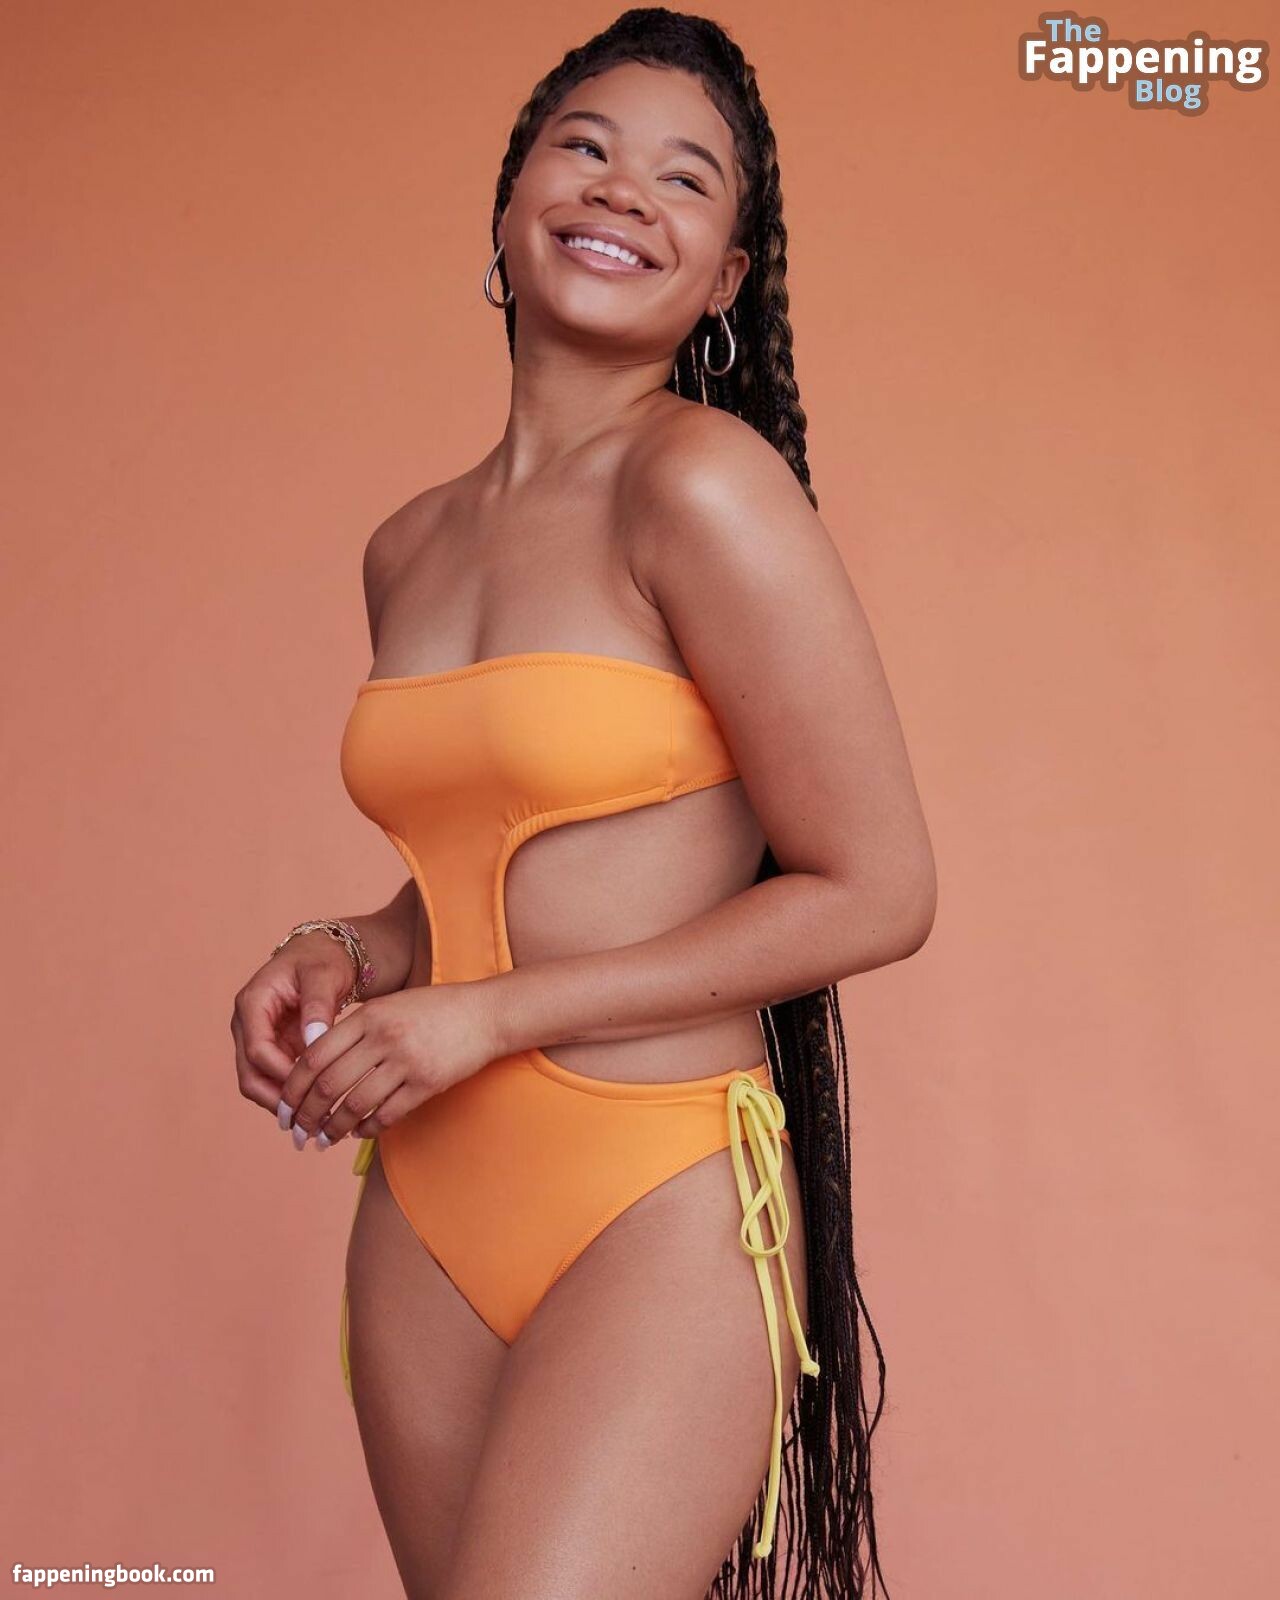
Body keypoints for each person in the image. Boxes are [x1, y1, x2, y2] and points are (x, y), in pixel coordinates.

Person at [230, 11, 935, 1598]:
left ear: (725, 279)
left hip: (654, 1200)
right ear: (507, 206)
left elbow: (879, 887)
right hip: (425, 1207)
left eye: (685, 179)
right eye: (586, 148)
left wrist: (489, 1019)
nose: (623, 192)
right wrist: (346, 948)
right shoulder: (409, 545)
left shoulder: (704, 486)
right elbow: (501, 866)